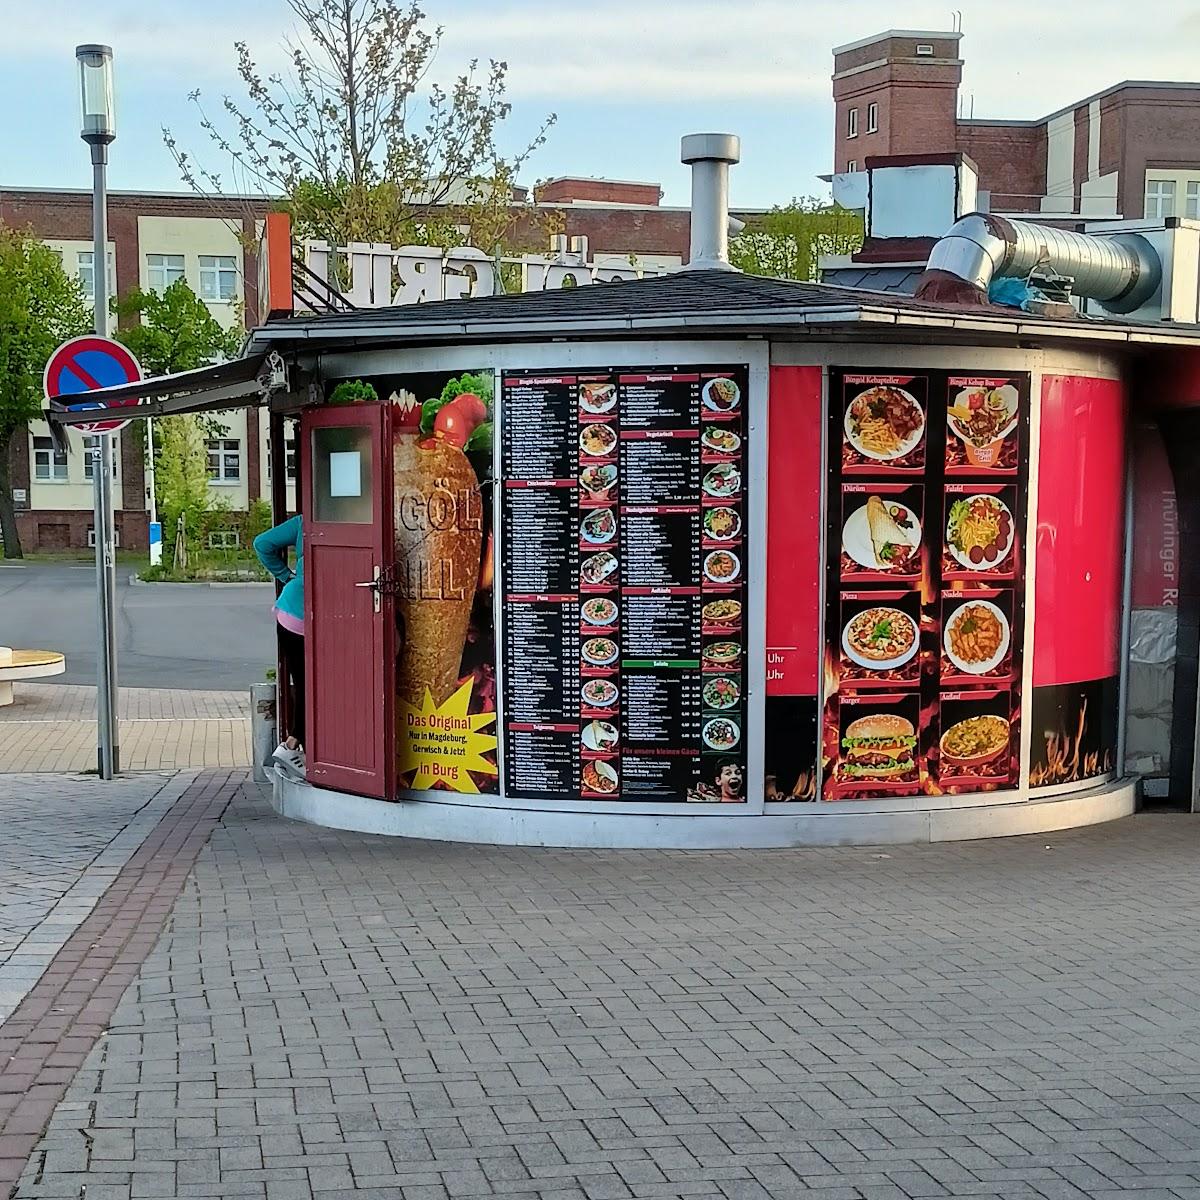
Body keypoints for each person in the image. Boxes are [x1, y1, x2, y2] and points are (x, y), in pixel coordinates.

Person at [254, 515, 306, 779]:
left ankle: (295, 745)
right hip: (310, 614)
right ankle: (293, 744)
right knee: (314, 683)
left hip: (288, 611)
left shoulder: (302, 521)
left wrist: (287, 576)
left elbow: (262, 543)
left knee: (302, 681)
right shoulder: (349, 521)